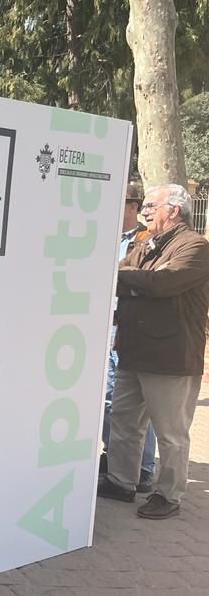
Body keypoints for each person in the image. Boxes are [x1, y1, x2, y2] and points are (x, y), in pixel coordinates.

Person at [98, 184, 209, 520]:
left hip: (170, 356)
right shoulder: (145, 242)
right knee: (124, 420)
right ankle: (122, 480)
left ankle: (169, 495)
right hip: (134, 349)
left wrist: (134, 279)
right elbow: (120, 277)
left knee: (170, 431)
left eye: (150, 205)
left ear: (173, 209)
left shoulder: (196, 246)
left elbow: (164, 283)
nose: (144, 210)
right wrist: (138, 279)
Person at [101, 183, 156, 490]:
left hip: (129, 328)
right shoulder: (105, 235)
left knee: (139, 400)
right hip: (104, 326)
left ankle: (144, 466)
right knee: (112, 398)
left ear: (133, 206)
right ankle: (116, 457)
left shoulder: (146, 240)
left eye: (119, 202)